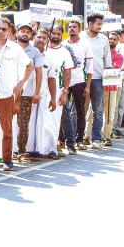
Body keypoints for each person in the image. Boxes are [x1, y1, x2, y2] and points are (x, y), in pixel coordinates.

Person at [0, 17, 32, 171]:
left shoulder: (15, 48)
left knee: (7, 129)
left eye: (4, 29)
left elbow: (29, 66)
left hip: (6, 93)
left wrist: (21, 84)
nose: (0, 32)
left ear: (9, 31)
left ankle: (7, 160)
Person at [80, 13, 113, 149]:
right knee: (79, 109)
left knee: (98, 110)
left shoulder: (104, 39)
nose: (100, 27)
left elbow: (108, 60)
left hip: (98, 79)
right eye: (98, 24)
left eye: (101, 24)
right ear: (90, 24)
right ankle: (79, 138)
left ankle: (97, 139)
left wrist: (110, 80)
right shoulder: (80, 37)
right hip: (81, 79)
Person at [62, 19, 93, 151]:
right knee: (63, 111)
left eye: (75, 27)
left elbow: (90, 67)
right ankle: (61, 139)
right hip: (65, 82)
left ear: (80, 29)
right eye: (70, 27)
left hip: (80, 81)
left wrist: (88, 85)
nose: (72, 29)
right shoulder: (63, 44)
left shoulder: (85, 45)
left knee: (80, 111)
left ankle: (79, 139)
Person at [43, 25, 74, 157]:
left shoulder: (65, 52)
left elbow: (67, 73)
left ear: (62, 36)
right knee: (40, 119)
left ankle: (51, 149)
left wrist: (65, 93)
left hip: (56, 89)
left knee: (54, 120)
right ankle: (38, 148)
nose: (56, 36)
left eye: (58, 34)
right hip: (39, 87)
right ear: (49, 33)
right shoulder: (41, 47)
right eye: (54, 33)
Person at [15, 23, 43, 163]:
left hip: (27, 92)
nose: (25, 34)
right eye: (22, 31)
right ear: (17, 33)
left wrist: (36, 92)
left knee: (23, 122)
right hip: (7, 91)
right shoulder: (10, 48)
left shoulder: (35, 52)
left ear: (31, 35)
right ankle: (6, 151)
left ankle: (21, 151)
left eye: (28, 32)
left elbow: (39, 73)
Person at [31, 29, 60, 158]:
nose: (41, 40)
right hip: (25, 95)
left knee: (42, 124)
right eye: (39, 37)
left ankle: (40, 149)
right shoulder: (25, 54)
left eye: (44, 38)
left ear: (47, 41)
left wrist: (53, 99)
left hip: (42, 96)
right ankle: (24, 151)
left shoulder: (49, 59)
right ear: (33, 38)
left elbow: (52, 79)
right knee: (26, 124)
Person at [98, 33, 124, 146]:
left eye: (114, 39)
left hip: (111, 87)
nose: (111, 41)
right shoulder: (101, 54)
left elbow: (114, 69)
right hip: (98, 85)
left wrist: (106, 68)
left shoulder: (119, 56)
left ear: (117, 41)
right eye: (110, 39)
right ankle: (88, 135)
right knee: (93, 112)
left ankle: (106, 136)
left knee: (109, 113)